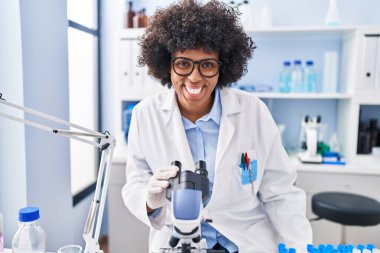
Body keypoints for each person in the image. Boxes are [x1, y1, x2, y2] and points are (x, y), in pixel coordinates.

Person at [122, 1, 313, 252]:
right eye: (183, 63)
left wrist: (300, 247)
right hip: (179, 240)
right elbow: (134, 182)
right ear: (167, 65)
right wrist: (149, 197)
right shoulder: (145, 115)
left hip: (245, 240)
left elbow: (281, 193)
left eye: (207, 65)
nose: (194, 77)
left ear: (222, 68)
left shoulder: (253, 112)